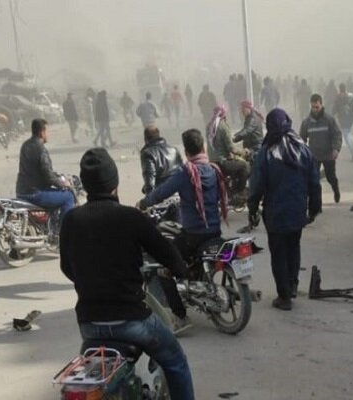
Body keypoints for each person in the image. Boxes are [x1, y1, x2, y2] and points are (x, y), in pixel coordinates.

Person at [60, 148, 195, 399]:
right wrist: (180, 269)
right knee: (176, 361)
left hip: (89, 324)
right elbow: (166, 251)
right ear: (115, 182)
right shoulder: (130, 217)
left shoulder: (71, 219)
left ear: (86, 185)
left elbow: (67, 268)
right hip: (132, 322)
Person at [138, 129, 228, 331]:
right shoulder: (214, 169)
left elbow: (160, 192)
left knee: (164, 265)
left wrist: (143, 202)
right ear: (203, 147)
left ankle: (180, 316)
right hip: (215, 231)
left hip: (193, 235)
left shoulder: (186, 173)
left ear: (186, 151)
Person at [248, 108, 322, 311]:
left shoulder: (267, 153)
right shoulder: (302, 149)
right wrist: (314, 209)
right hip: (298, 211)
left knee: (279, 253)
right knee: (293, 247)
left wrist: (252, 208)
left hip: (275, 213)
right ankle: (292, 285)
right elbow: (314, 182)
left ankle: (284, 296)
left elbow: (256, 185)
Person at [16, 119, 75, 226]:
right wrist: (64, 183)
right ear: (41, 132)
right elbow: (48, 176)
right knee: (68, 196)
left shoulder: (25, 145)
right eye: (47, 131)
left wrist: (58, 176)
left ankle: (51, 223)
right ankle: (63, 231)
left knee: (54, 192)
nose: (48, 134)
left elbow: (40, 170)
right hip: (34, 193)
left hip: (21, 191)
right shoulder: (41, 149)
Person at [300, 94, 343, 203]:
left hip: (328, 154)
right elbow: (302, 139)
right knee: (314, 180)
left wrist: (336, 149)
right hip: (314, 155)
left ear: (321, 105)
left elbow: (337, 135)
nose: (315, 110)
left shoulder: (329, 120)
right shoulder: (306, 122)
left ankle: (336, 190)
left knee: (330, 177)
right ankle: (317, 202)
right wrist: (302, 153)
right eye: (313, 107)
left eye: (317, 107)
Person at [206, 106, 250, 197]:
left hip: (212, 161)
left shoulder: (209, 126)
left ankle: (230, 189)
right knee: (245, 166)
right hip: (222, 162)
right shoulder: (223, 126)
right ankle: (238, 192)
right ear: (224, 114)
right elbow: (232, 148)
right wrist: (243, 152)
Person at [140, 126, 183, 195]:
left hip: (162, 195)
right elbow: (182, 172)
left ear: (145, 139)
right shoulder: (174, 150)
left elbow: (150, 180)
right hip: (179, 192)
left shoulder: (147, 153)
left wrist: (148, 200)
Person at [332, 83, 353, 161]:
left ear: (339, 89)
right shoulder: (351, 96)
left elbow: (334, 109)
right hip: (350, 118)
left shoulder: (338, 98)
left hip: (342, 119)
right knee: (347, 135)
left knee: (347, 136)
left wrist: (332, 115)